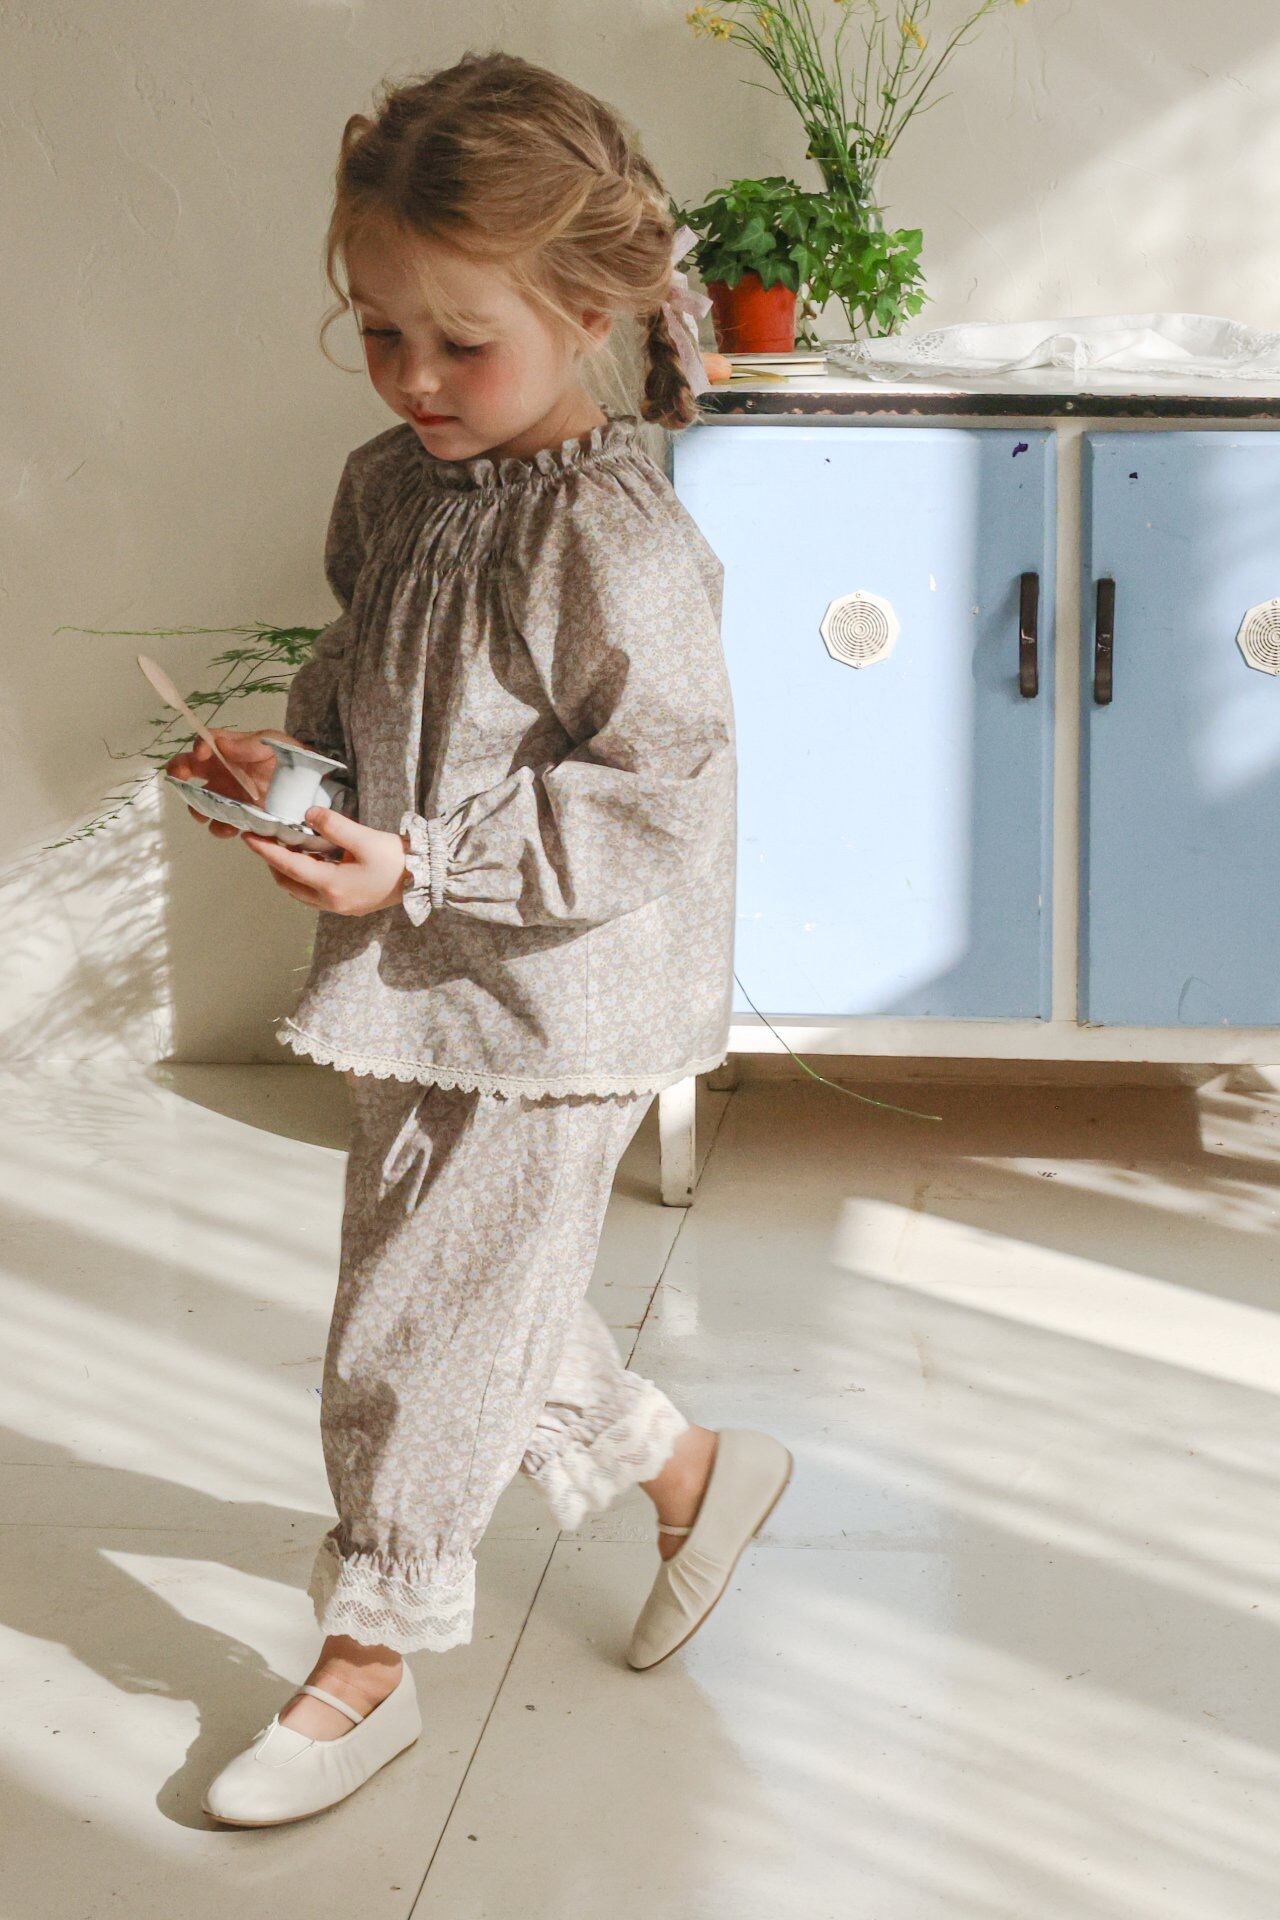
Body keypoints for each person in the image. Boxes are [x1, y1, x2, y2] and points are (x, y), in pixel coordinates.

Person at [167, 49, 792, 1827]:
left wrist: (430, 859)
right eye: (381, 332)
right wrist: (298, 774)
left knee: (417, 1315)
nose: (415, 378)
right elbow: (374, 679)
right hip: (422, 976)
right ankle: (691, 1472)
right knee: (472, 1287)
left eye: (461, 341)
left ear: (590, 314)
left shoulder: (616, 535)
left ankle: (365, 1657)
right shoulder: (391, 487)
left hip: (560, 997)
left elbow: (665, 789)